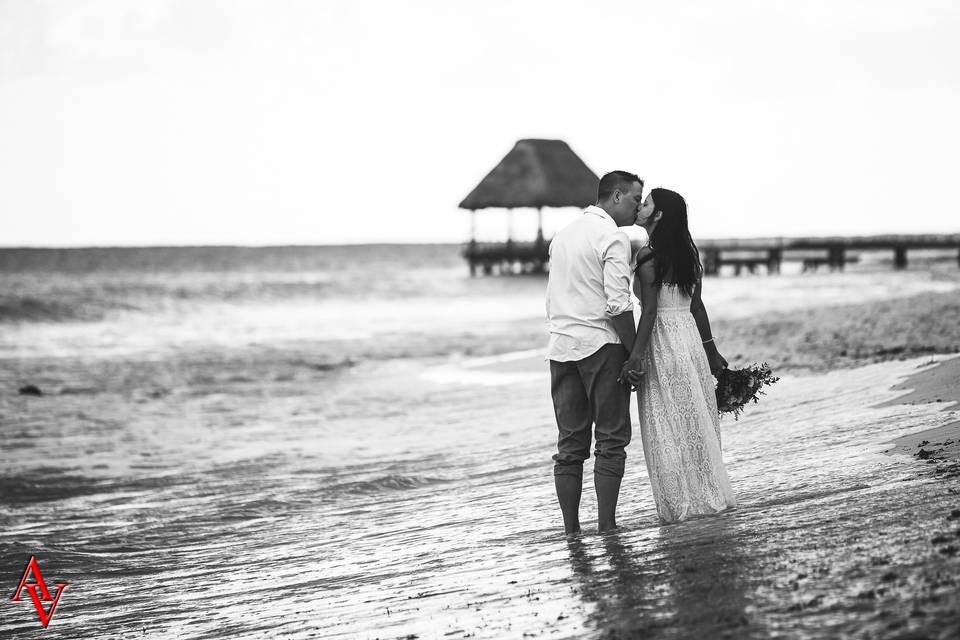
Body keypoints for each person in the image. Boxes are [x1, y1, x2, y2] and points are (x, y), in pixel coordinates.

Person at [622, 188, 737, 523]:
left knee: (664, 423)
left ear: (657, 215)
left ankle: (678, 505)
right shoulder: (689, 253)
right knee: (696, 418)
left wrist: (635, 357)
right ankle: (709, 492)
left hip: (661, 341)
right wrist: (711, 351)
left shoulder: (647, 255)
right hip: (687, 337)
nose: (641, 207)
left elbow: (650, 311)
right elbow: (697, 306)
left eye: (646, 204)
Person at [545, 170, 644, 536]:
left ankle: (571, 532)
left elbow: (551, 298)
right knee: (610, 439)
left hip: (560, 347)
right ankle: (606, 526)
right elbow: (618, 306)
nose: (637, 208)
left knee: (569, 446)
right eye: (635, 199)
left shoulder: (563, 236)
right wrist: (635, 355)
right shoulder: (612, 237)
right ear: (616, 196)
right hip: (601, 346)